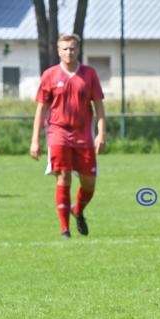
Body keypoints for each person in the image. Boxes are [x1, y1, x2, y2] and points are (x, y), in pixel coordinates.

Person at [30, 33, 107, 238]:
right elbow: (41, 109)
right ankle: (65, 229)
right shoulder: (50, 75)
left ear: (78, 50)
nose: (68, 52)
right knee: (63, 177)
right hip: (58, 132)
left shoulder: (89, 74)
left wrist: (101, 134)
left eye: (72, 48)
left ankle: (78, 210)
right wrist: (35, 139)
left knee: (89, 182)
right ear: (58, 51)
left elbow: (99, 106)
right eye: (64, 48)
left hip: (83, 135)